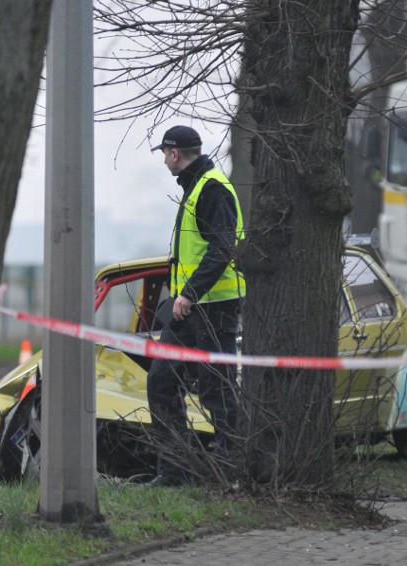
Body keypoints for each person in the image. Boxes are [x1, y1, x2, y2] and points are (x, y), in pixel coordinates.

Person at [145, 125, 246, 486]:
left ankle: (230, 470)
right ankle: (176, 469)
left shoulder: (213, 188)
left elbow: (222, 249)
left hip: (213, 306)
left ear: (174, 154)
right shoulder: (195, 187)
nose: (164, 161)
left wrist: (188, 292)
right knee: (160, 382)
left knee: (216, 388)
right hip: (188, 309)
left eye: (164, 155)